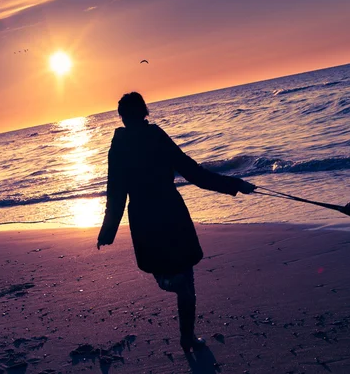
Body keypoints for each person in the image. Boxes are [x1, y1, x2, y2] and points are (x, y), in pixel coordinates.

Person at [97, 92, 255, 353]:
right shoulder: (155, 135)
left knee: (170, 273)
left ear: (122, 117)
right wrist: (234, 185)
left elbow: (116, 192)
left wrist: (108, 230)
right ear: (145, 112)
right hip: (169, 212)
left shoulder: (119, 145)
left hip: (144, 216)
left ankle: (186, 335)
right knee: (184, 281)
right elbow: (192, 172)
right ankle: (187, 333)